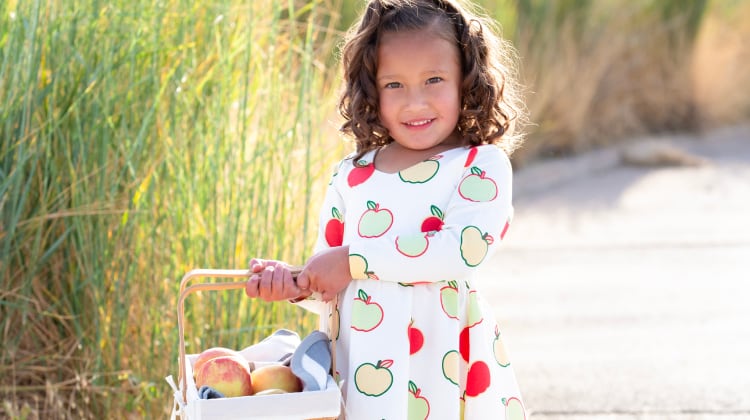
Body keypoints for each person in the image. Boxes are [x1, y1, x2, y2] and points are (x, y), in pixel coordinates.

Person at [245, 0, 528, 418]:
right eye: (394, 85)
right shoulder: (352, 175)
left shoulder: (478, 165)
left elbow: (462, 251)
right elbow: (338, 282)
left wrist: (352, 261)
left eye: (434, 79)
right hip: (362, 373)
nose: (415, 102)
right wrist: (299, 283)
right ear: (371, 90)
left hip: (442, 370)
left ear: (466, 81)